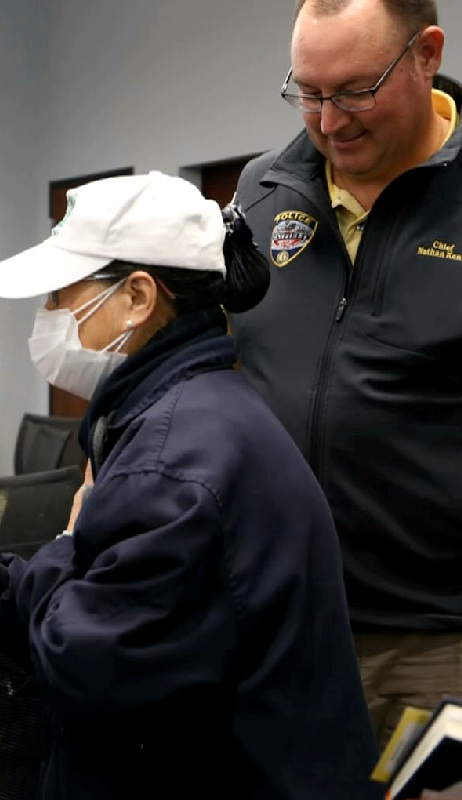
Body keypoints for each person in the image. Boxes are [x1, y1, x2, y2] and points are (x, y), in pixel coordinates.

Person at [0, 171, 379, 798]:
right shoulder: (193, 412)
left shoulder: (172, 462)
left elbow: (81, 665)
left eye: (64, 292)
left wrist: (68, 535)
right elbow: (110, 603)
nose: (53, 314)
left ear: (139, 297)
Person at [231, 0, 462, 748]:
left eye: (357, 90)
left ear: (427, 54)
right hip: (275, 624)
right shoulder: (262, 193)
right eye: (308, 92)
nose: (330, 121)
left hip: (434, 646)